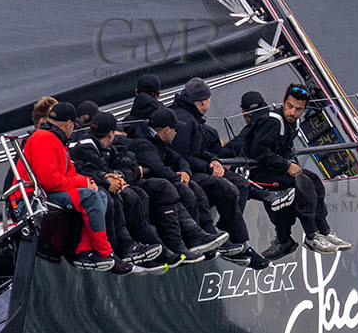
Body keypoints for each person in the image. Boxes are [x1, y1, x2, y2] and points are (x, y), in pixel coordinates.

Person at [170, 77, 269, 270]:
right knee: (226, 188)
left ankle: (236, 240)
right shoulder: (183, 120)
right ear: (202, 102)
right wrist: (209, 166)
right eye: (209, 100)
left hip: (197, 168)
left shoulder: (193, 117)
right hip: (184, 175)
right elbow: (181, 156)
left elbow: (198, 151)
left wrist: (214, 160)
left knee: (240, 184)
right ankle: (231, 242)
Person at [19, 101, 130, 273]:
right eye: (74, 125)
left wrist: (89, 181)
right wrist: (84, 184)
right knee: (91, 197)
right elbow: (50, 182)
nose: (74, 129)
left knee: (99, 194)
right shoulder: (44, 139)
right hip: (36, 197)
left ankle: (85, 251)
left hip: (49, 192)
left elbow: (69, 173)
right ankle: (105, 253)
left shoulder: (56, 139)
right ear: (68, 124)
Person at [245, 82, 348, 258]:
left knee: (314, 180)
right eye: (289, 106)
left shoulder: (293, 123)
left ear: (304, 109)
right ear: (284, 102)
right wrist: (287, 165)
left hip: (273, 167)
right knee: (304, 183)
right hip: (258, 172)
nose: (292, 112)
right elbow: (258, 151)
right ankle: (311, 235)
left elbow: (283, 148)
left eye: (298, 109)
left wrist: (291, 162)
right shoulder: (273, 121)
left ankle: (324, 229)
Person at [121, 106, 231, 261]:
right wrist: (177, 178)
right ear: (166, 130)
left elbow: (180, 160)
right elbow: (158, 168)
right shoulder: (143, 144)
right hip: (145, 186)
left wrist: (184, 172)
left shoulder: (159, 142)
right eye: (176, 128)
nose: (177, 132)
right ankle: (185, 241)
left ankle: (202, 233)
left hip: (162, 185)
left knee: (193, 187)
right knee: (176, 189)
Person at [69, 112, 165, 267]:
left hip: (97, 182)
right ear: (111, 133)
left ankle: (137, 247)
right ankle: (120, 249)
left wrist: (117, 177)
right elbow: (87, 170)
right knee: (114, 199)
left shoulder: (104, 146)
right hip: (84, 186)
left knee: (137, 194)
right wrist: (108, 181)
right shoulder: (86, 146)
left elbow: (127, 164)